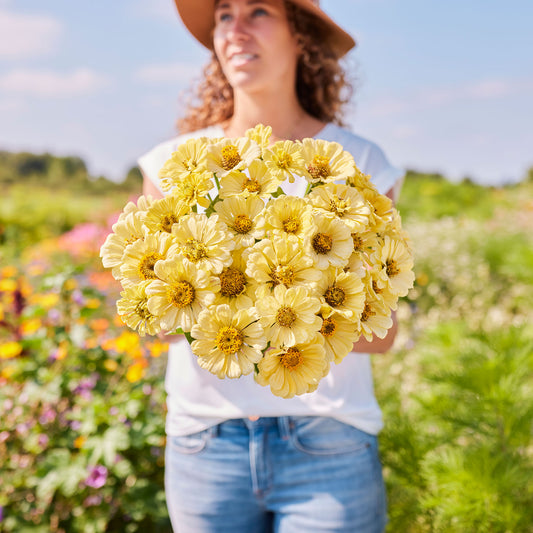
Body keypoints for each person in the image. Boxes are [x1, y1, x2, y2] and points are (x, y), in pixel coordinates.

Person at [139, 1, 404, 531]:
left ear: (300, 35)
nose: (236, 30)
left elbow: (382, 331)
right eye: (224, 15)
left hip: (328, 440)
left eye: (258, 10)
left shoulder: (360, 161)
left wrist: (256, 310)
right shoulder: (172, 163)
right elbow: (156, 326)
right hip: (206, 444)